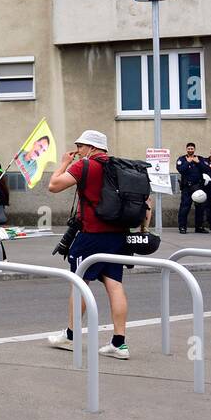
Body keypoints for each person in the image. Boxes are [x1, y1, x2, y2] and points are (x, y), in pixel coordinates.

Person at [47, 130, 142, 360]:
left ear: (91, 147)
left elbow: (54, 185)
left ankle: (70, 336)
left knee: (79, 283)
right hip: (117, 235)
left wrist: (63, 164)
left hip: (91, 234)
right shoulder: (119, 167)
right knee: (115, 285)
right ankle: (119, 344)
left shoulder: (85, 166)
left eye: (80, 146)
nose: (77, 151)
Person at [176, 142, 211, 234]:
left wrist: (198, 162)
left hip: (198, 187)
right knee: (184, 207)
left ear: (194, 149)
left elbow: (206, 169)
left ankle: (199, 227)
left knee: (200, 208)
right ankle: (182, 227)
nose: (190, 150)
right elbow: (180, 170)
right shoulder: (182, 159)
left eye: (192, 149)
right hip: (187, 188)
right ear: (186, 149)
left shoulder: (200, 158)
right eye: (189, 149)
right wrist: (188, 162)